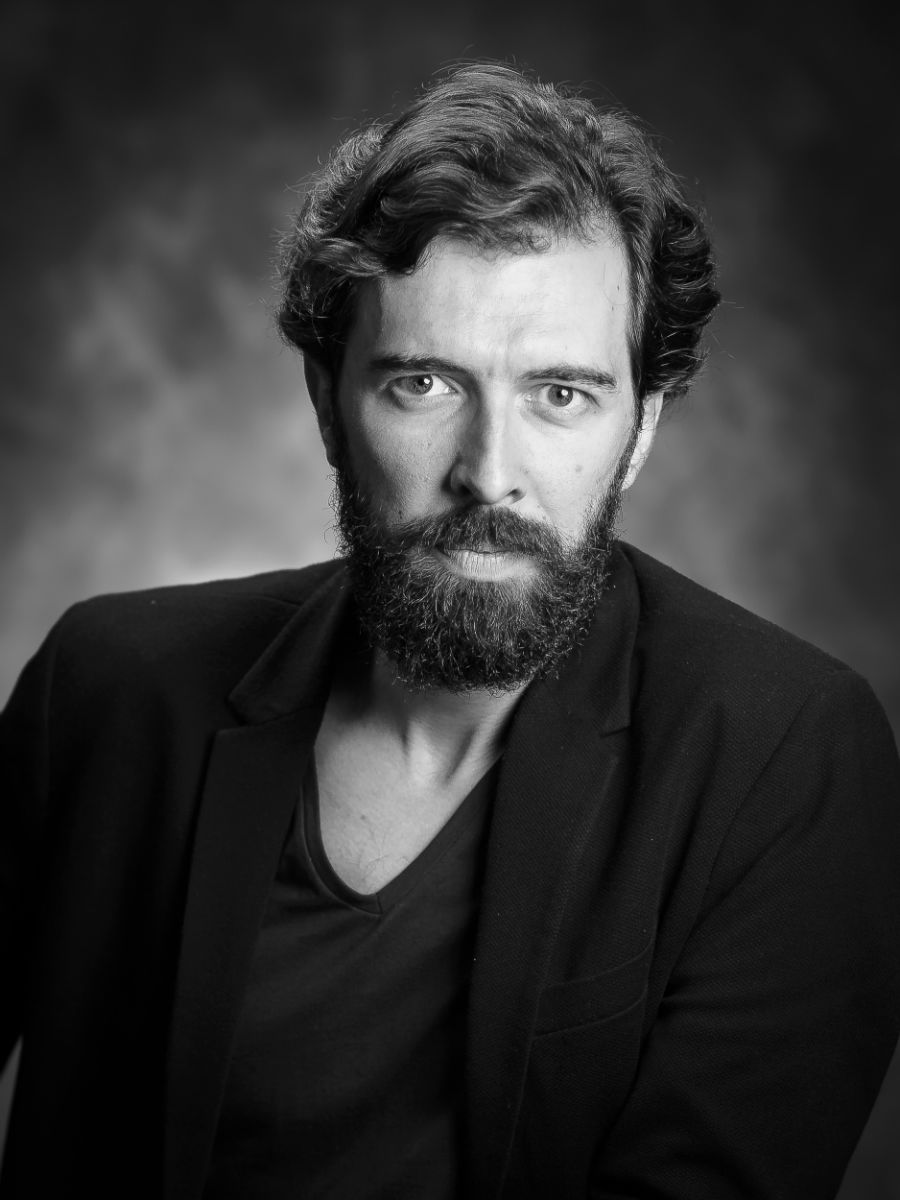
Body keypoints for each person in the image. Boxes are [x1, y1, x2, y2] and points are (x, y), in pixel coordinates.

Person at [1, 62, 899, 1200]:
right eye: (424, 383)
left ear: (639, 430)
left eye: (561, 395)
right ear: (328, 402)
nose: (490, 473)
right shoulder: (108, 692)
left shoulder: (788, 760)